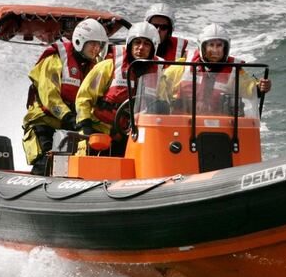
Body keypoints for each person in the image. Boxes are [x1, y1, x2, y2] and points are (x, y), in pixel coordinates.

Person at [21, 18, 108, 174]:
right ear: (79, 41)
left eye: (99, 45)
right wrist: (69, 117)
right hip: (44, 121)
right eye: (93, 44)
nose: (96, 49)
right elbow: (49, 96)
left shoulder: (96, 67)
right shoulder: (55, 59)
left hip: (72, 125)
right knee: (46, 162)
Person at [74, 21, 165, 156]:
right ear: (129, 44)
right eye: (137, 42)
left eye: (146, 44)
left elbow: (164, 103)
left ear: (153, 48)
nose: (141, 48)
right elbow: (84, 98)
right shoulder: (108, 66)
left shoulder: (159, 74)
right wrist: (84, 126)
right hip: (100, 132)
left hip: (135, 135)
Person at [162, 23, 271, 114]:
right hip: (180, 124)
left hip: (218, 128)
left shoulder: (234, 70)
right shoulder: (184, 65)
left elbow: (249, 88)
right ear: (203, 47)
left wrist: (260, 87)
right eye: (211, 45)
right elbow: (161, 82)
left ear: (226, 48)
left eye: (219, 45)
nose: (215, 50)